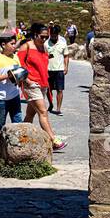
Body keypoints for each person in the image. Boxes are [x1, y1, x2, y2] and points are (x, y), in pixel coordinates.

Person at [18, 22, 67, 152]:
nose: (45, 39)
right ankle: (53, 140)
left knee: (30, 115)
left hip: (43, 84)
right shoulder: (26, 46)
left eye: (47, 37)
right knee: (43, 112)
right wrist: (27, 81)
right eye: (42, 36)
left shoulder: (44, 48)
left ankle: (21, 138)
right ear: (35, 34)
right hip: (31, 84)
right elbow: (18, 66)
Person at [0, 31, 24, 145]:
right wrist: (7, 76)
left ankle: (18, 145)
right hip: (1, 97)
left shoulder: (15, 57)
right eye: (12, 44)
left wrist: (22, 78)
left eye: (15, 44)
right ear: (3, 45)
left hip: (14, 95)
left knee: (18, 121)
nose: (14, 46)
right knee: (0, 123)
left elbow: (18, 72)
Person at [46, 23, 69, 115]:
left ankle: (58, 109)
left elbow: (66, 56)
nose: (53, 37)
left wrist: (66, 67)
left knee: (60, 90)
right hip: (48, 70)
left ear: (58, 34)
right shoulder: (45, 43)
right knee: (48, 89)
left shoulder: (63, 43)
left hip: (59, 70)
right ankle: (50, 104)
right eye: (52, 35)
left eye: (55, 36)